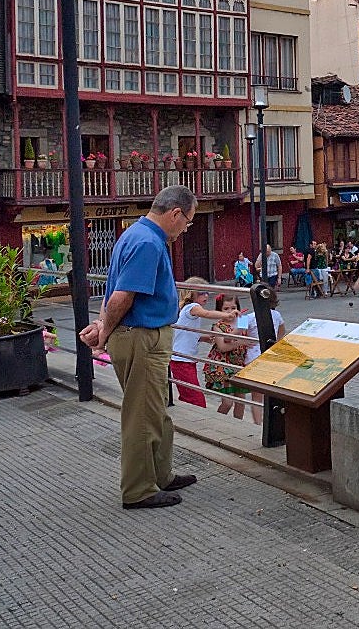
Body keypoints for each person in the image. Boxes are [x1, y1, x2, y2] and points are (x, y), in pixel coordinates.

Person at [79, 185, 200, 510]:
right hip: (143, 338)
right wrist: (104, 335)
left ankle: (161, 474)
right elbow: (121, 297)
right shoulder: (149, 243)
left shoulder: (133, 234)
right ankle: (139, 489)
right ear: (175, 213)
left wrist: (104, 327)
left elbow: (113, 292)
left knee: (156, 411)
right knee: (141, 416)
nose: (185, 229)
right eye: (187, 221)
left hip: (139, 335)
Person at [170, 278, 234, 410]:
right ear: (191, 293)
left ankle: (187, 416)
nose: (205, 296)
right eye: (201, 293)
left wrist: (203, 337)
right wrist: (226, 316)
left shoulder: (186, 310)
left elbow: (185, 334)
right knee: (197, 399)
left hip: (184, 360)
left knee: (187, 395)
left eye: (207, 293)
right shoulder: (192, 307)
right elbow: (207, 313)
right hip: (182, 361)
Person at [203, 294, 250, 420]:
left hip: (239, 365)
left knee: (241, 402)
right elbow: (223, 347)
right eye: (226, 309)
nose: (230, 312)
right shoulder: (217, 326)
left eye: (233, 307)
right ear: (219, 311)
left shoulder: (243, 320)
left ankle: (238, 426)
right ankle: (217, 422)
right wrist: (240, 341)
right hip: (222, 366)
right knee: (227, 402)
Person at [246, 286, 283, 425]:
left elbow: (236, 332)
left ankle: (258, 423)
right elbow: (281, 333)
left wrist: (244, 342)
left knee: (257, 396)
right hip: (271, 356)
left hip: (252, 358)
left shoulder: (248, 317)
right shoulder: (277, 315)